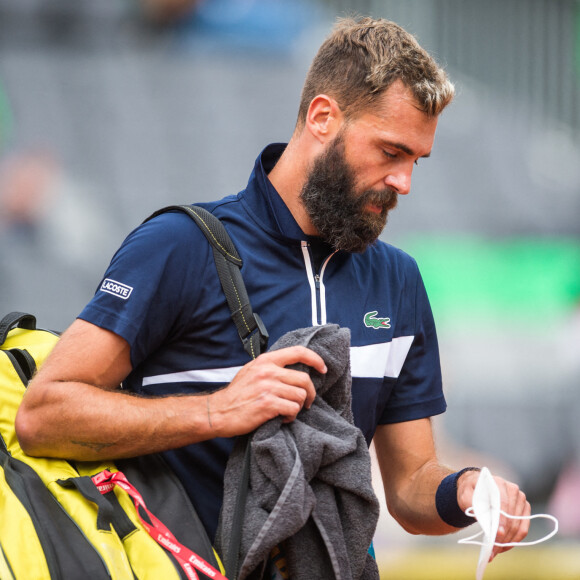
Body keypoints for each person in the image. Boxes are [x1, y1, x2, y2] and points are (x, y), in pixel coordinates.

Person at [15, 15, 530, 569]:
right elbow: (44, 414)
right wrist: (218, 411)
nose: (404, 181)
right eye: (390, 152)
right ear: (323, 118)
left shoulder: (398, 281)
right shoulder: (178, 246)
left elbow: (408, 488)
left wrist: (464, 491)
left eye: (416, 161)